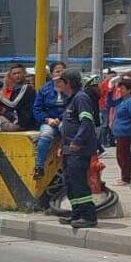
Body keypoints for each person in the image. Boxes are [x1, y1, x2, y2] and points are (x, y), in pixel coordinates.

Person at [52, 71, 101, 229]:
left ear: (68, 83)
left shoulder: (81, 98)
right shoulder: (71, 99)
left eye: (60, 82)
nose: (58, 85)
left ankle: (88, 215)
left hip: (79, 150)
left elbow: (87, 122)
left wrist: (77, 141)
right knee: (70, 182)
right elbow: (67, 126)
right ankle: (77, 213)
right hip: (69, 150)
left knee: (79, 183)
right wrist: (62, 147)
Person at [30, 61, 68, 179]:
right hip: (48, 120)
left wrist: (62, 119)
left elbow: (74, 105)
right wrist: (47, 119)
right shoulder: (44, 89)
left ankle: (69, 165)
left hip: (66, 120)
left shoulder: (70, 88)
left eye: (63, 71)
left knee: (68, 132)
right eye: (57, 71)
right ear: (51, 74)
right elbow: (37, 109)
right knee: (45, 135)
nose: (60, 74)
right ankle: (39, 167)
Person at [0, 64, 34, 133]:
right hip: (14, 120)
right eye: (14, 74)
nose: (17, 75)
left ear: (24, 74)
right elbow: (8, 108)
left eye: (19, 73)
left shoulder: (26, 87)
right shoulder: (16, 89)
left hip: (21, 124)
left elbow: (13, 105)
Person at [110, 79, 131, 187]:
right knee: (120, 156)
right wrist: (110, 90)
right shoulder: (122, 100)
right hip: (119, 133)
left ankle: (126, 178)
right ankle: (124, 176)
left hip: (126, 132)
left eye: (123, 88)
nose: (120, 90)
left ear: (130, 90)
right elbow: (110, 103)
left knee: (124, 156)